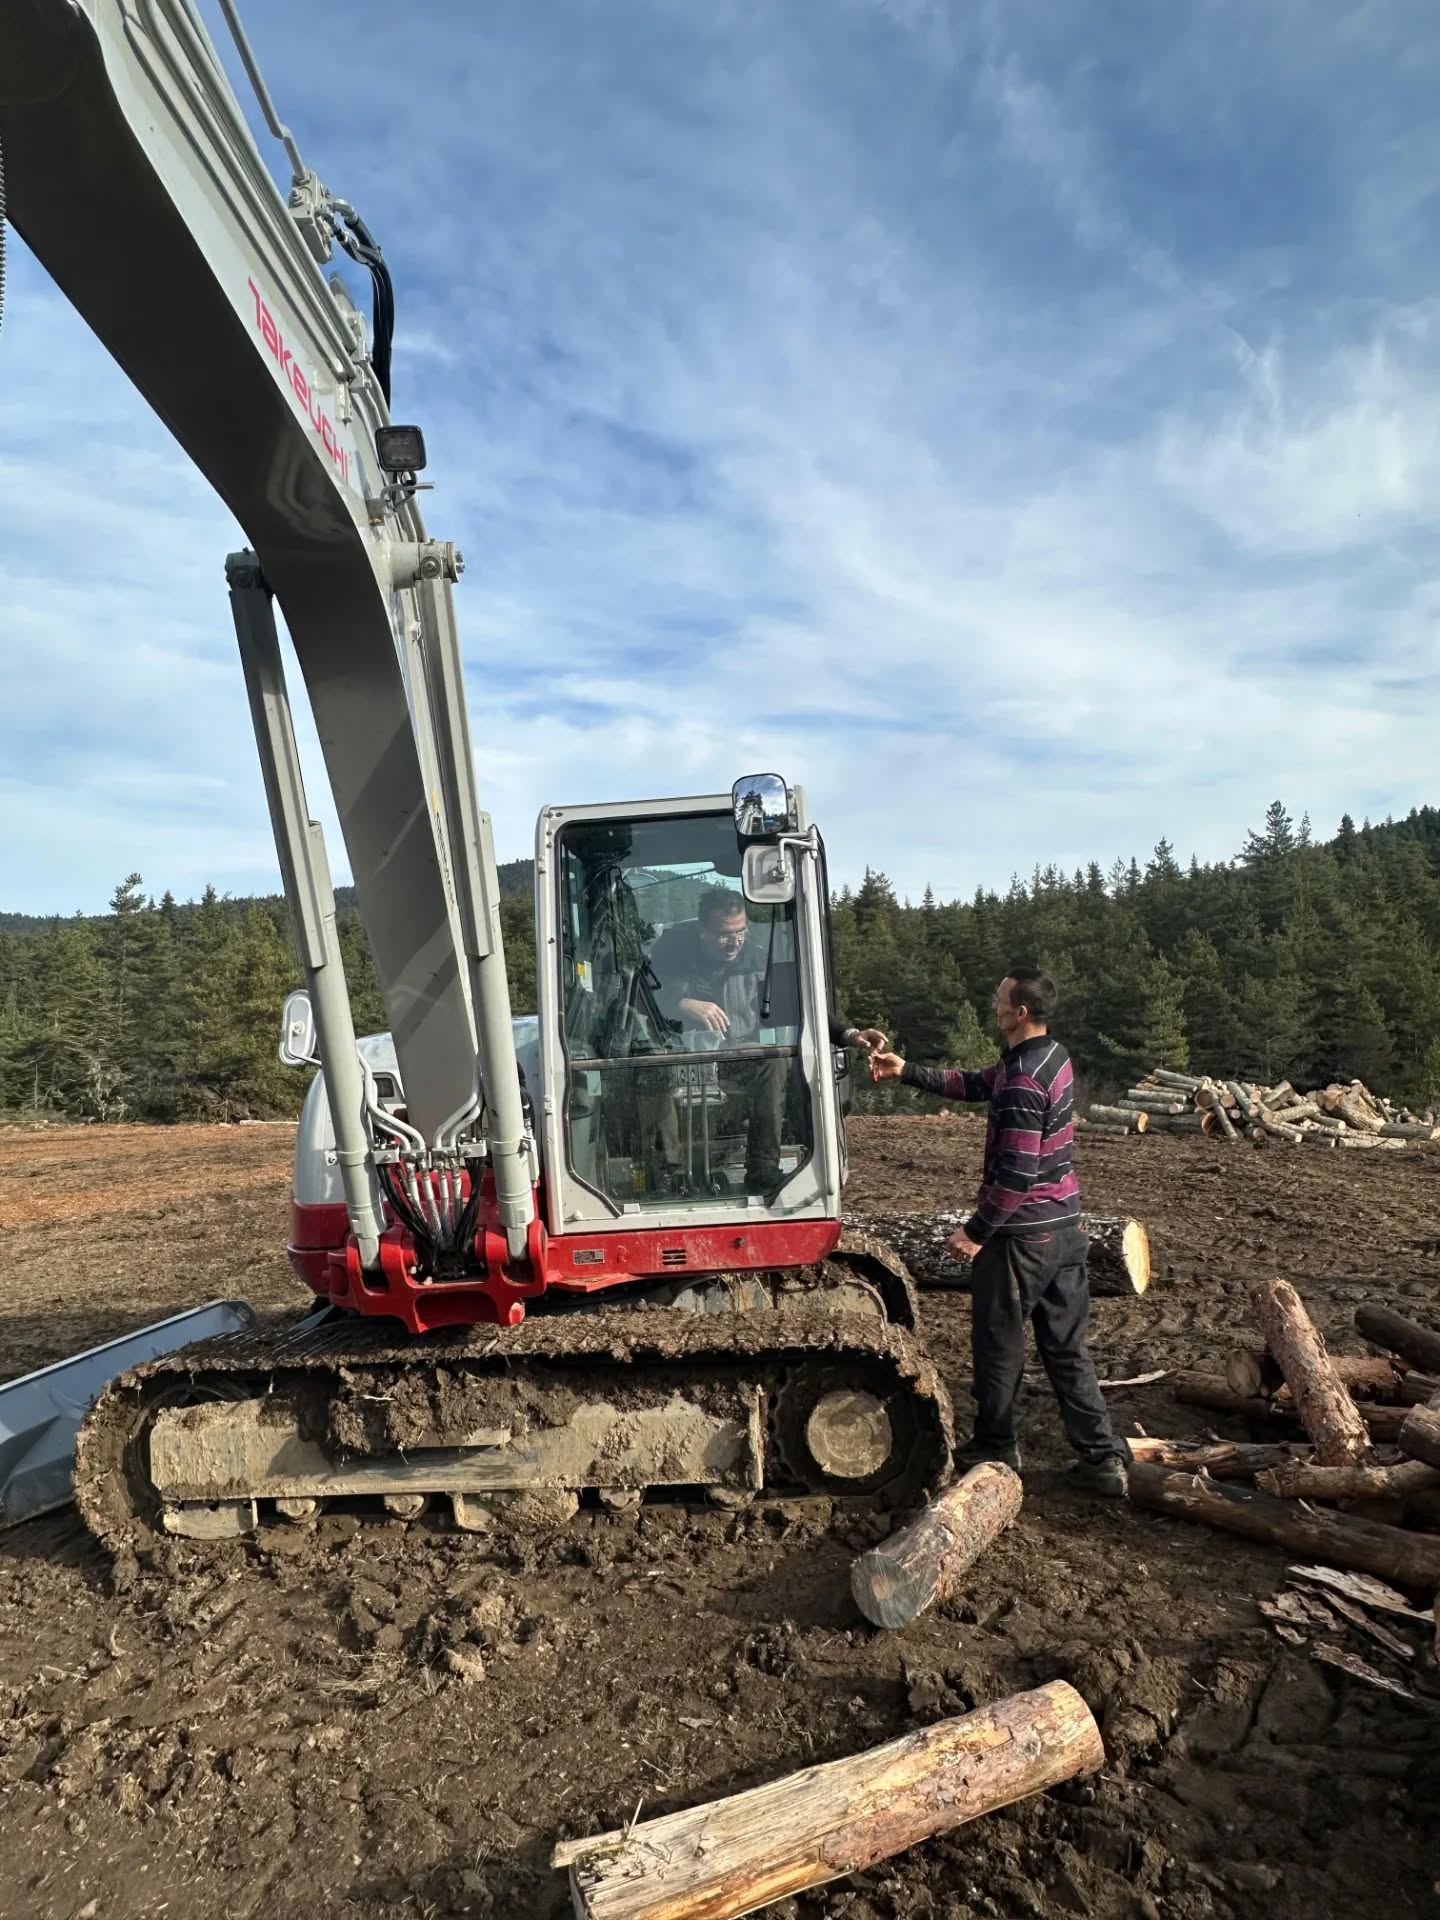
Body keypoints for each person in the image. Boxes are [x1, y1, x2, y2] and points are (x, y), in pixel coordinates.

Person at [869, 970, 1129, 1497]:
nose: (994, 1006)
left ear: (1020, 1014)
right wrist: (907, 1071)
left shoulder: (1022, 1082)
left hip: (1021, 1238)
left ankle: (995, 1445)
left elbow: (1016, 1173)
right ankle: (1102, 1460)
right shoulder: (1049, 1058)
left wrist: (976, 1232)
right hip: (1066, 1228)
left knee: (997, 1346)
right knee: (1068, 1350)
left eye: (1000, 1000)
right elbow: (974, 1083)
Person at [646, 888, 885, 1188]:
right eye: (723, 934)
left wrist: (849, 1034)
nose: (734, 942)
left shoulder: (758, 960)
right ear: (702, 931)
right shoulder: (668, 957)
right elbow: (637, 999)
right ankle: (669, 1172)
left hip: (735, 1060)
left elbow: (803, 1008)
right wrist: (682, 1003)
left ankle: (762, 1168)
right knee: (650, 1070)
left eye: (740, 932)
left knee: (774, 1062)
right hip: (676, 1059)